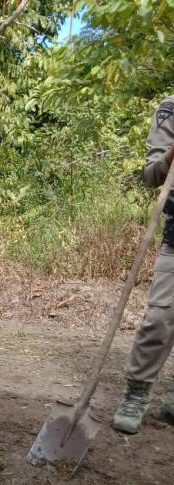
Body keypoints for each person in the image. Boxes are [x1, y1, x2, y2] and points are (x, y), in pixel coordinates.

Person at [112, 95, 174, 434]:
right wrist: (171, 153)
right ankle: (136, 394)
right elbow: (152, 175)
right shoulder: (171, 109)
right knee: (160, 320)